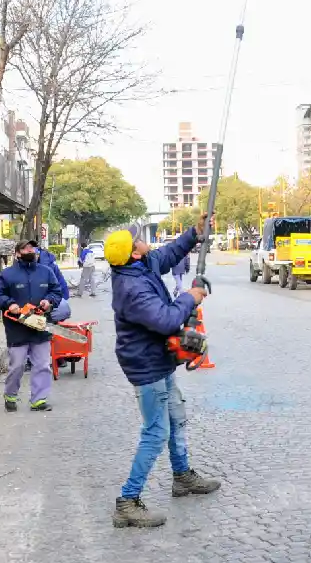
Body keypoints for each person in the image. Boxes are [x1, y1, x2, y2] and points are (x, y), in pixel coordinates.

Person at [107, 216, 221, 529]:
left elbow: (169, 255)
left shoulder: (141, 266)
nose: (142, 239)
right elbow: (166, 320)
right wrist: (191, 297)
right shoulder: (132, 287)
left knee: (176, 418)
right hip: (146, 367)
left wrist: (195, 234)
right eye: (137, 238)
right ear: (134, 253)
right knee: (156, 432)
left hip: (160, 360)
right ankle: (127, 502)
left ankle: (182, 477)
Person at [0, 243, 64, 412]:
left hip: (40, 326)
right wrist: (9, 304)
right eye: (26, 248)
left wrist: (49, 301)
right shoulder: (8, 275)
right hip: (17, 328)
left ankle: (39, 400)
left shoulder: (46, 272)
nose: (30, 251)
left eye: (32, 248)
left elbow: (57, 291)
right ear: (17, 254)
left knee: (43, 365)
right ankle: (10, 395)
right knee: (17, 366)